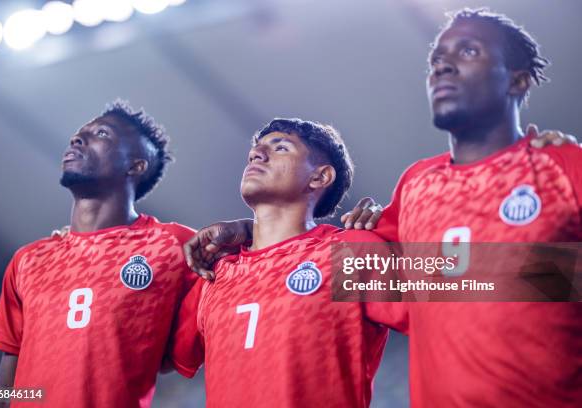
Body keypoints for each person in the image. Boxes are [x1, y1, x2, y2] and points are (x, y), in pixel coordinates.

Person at [184, 8, 581, 408]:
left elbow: (453, 287)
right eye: (436, 60)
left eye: (469, 51)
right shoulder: (415, 186)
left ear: (517, 78)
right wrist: (251, 232)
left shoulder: (345, 256)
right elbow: (158, 348)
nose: (443, 68)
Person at [168, 118, 395, 407]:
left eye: (281, 148)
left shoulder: (347, 254)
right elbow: (156, 358)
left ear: (319, 177)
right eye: (256, 149)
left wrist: (390, 222)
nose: (257, 154)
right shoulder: (215, 274)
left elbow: (465, 282)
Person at [0, 101, 197, 407]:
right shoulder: (28, 260)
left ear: (136, 166)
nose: (77, 139)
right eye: (78, 134)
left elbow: (257, 256)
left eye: (101, 133)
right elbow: (5, 383)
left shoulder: (173, 245)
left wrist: (243, 228)